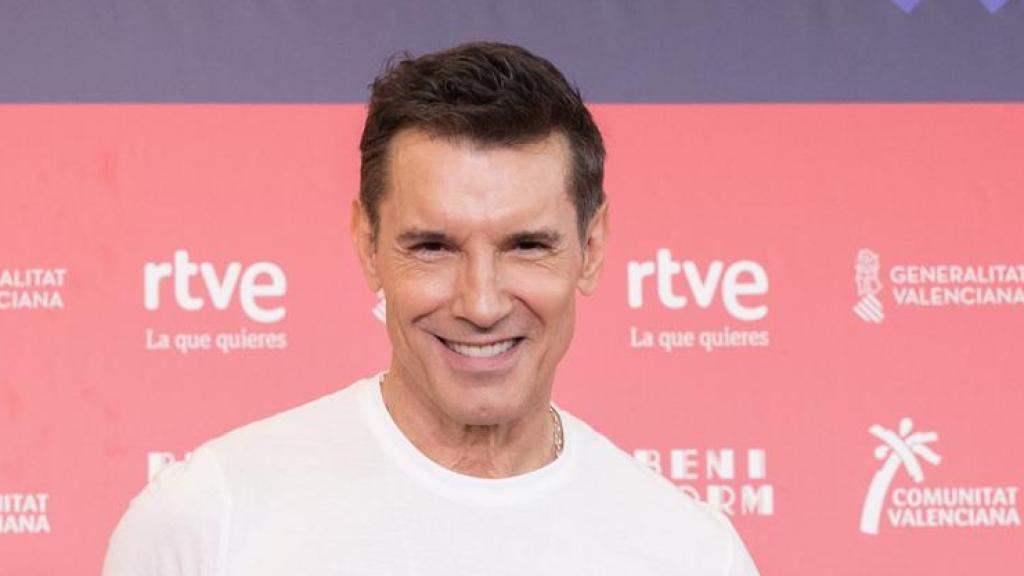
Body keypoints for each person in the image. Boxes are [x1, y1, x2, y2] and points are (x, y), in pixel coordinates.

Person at [102, 42, 759, 576]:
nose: (481, 303)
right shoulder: (209, 521)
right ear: (368, 244)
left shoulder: (694, 555)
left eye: (527, 245)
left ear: (591, 248)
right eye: (434, 247)